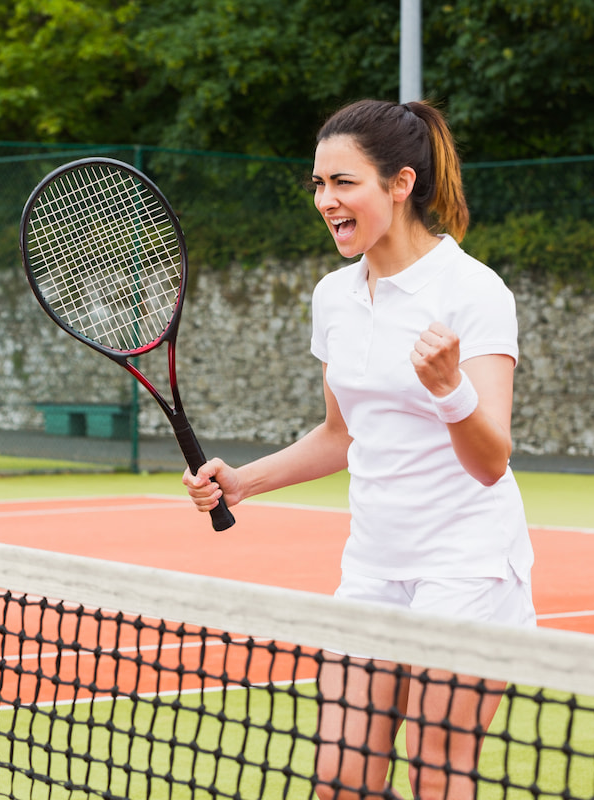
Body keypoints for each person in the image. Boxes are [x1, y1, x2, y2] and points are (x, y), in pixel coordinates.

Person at [183, 98, 536, 800]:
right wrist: (243, 482)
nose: (325, 200)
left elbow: (491, 458)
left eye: (344, 183)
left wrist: (449, 390)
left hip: (467, 567)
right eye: (319, 184)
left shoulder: (474, 290)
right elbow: (341, 436)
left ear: (400, 185)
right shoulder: (334, 298)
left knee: (436, 769)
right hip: (373, 567)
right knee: (340, 779)